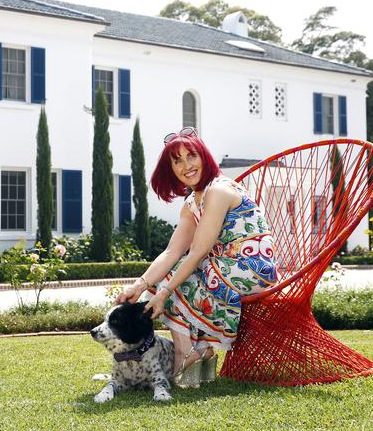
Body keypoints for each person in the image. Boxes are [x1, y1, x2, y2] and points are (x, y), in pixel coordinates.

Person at [115, 127, 277, 387]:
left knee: (172, 282)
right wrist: (140, 284)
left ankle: (189, 355)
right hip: (221, 268)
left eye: (191, 156)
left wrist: (164, 292)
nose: (186, 166)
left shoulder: (218, 191)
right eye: (177, 161)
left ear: (204, 156)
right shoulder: (193, 202)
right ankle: (197, 354)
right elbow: (172, 251)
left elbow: (198, 251)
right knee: (161, 281)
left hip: (250, 269)